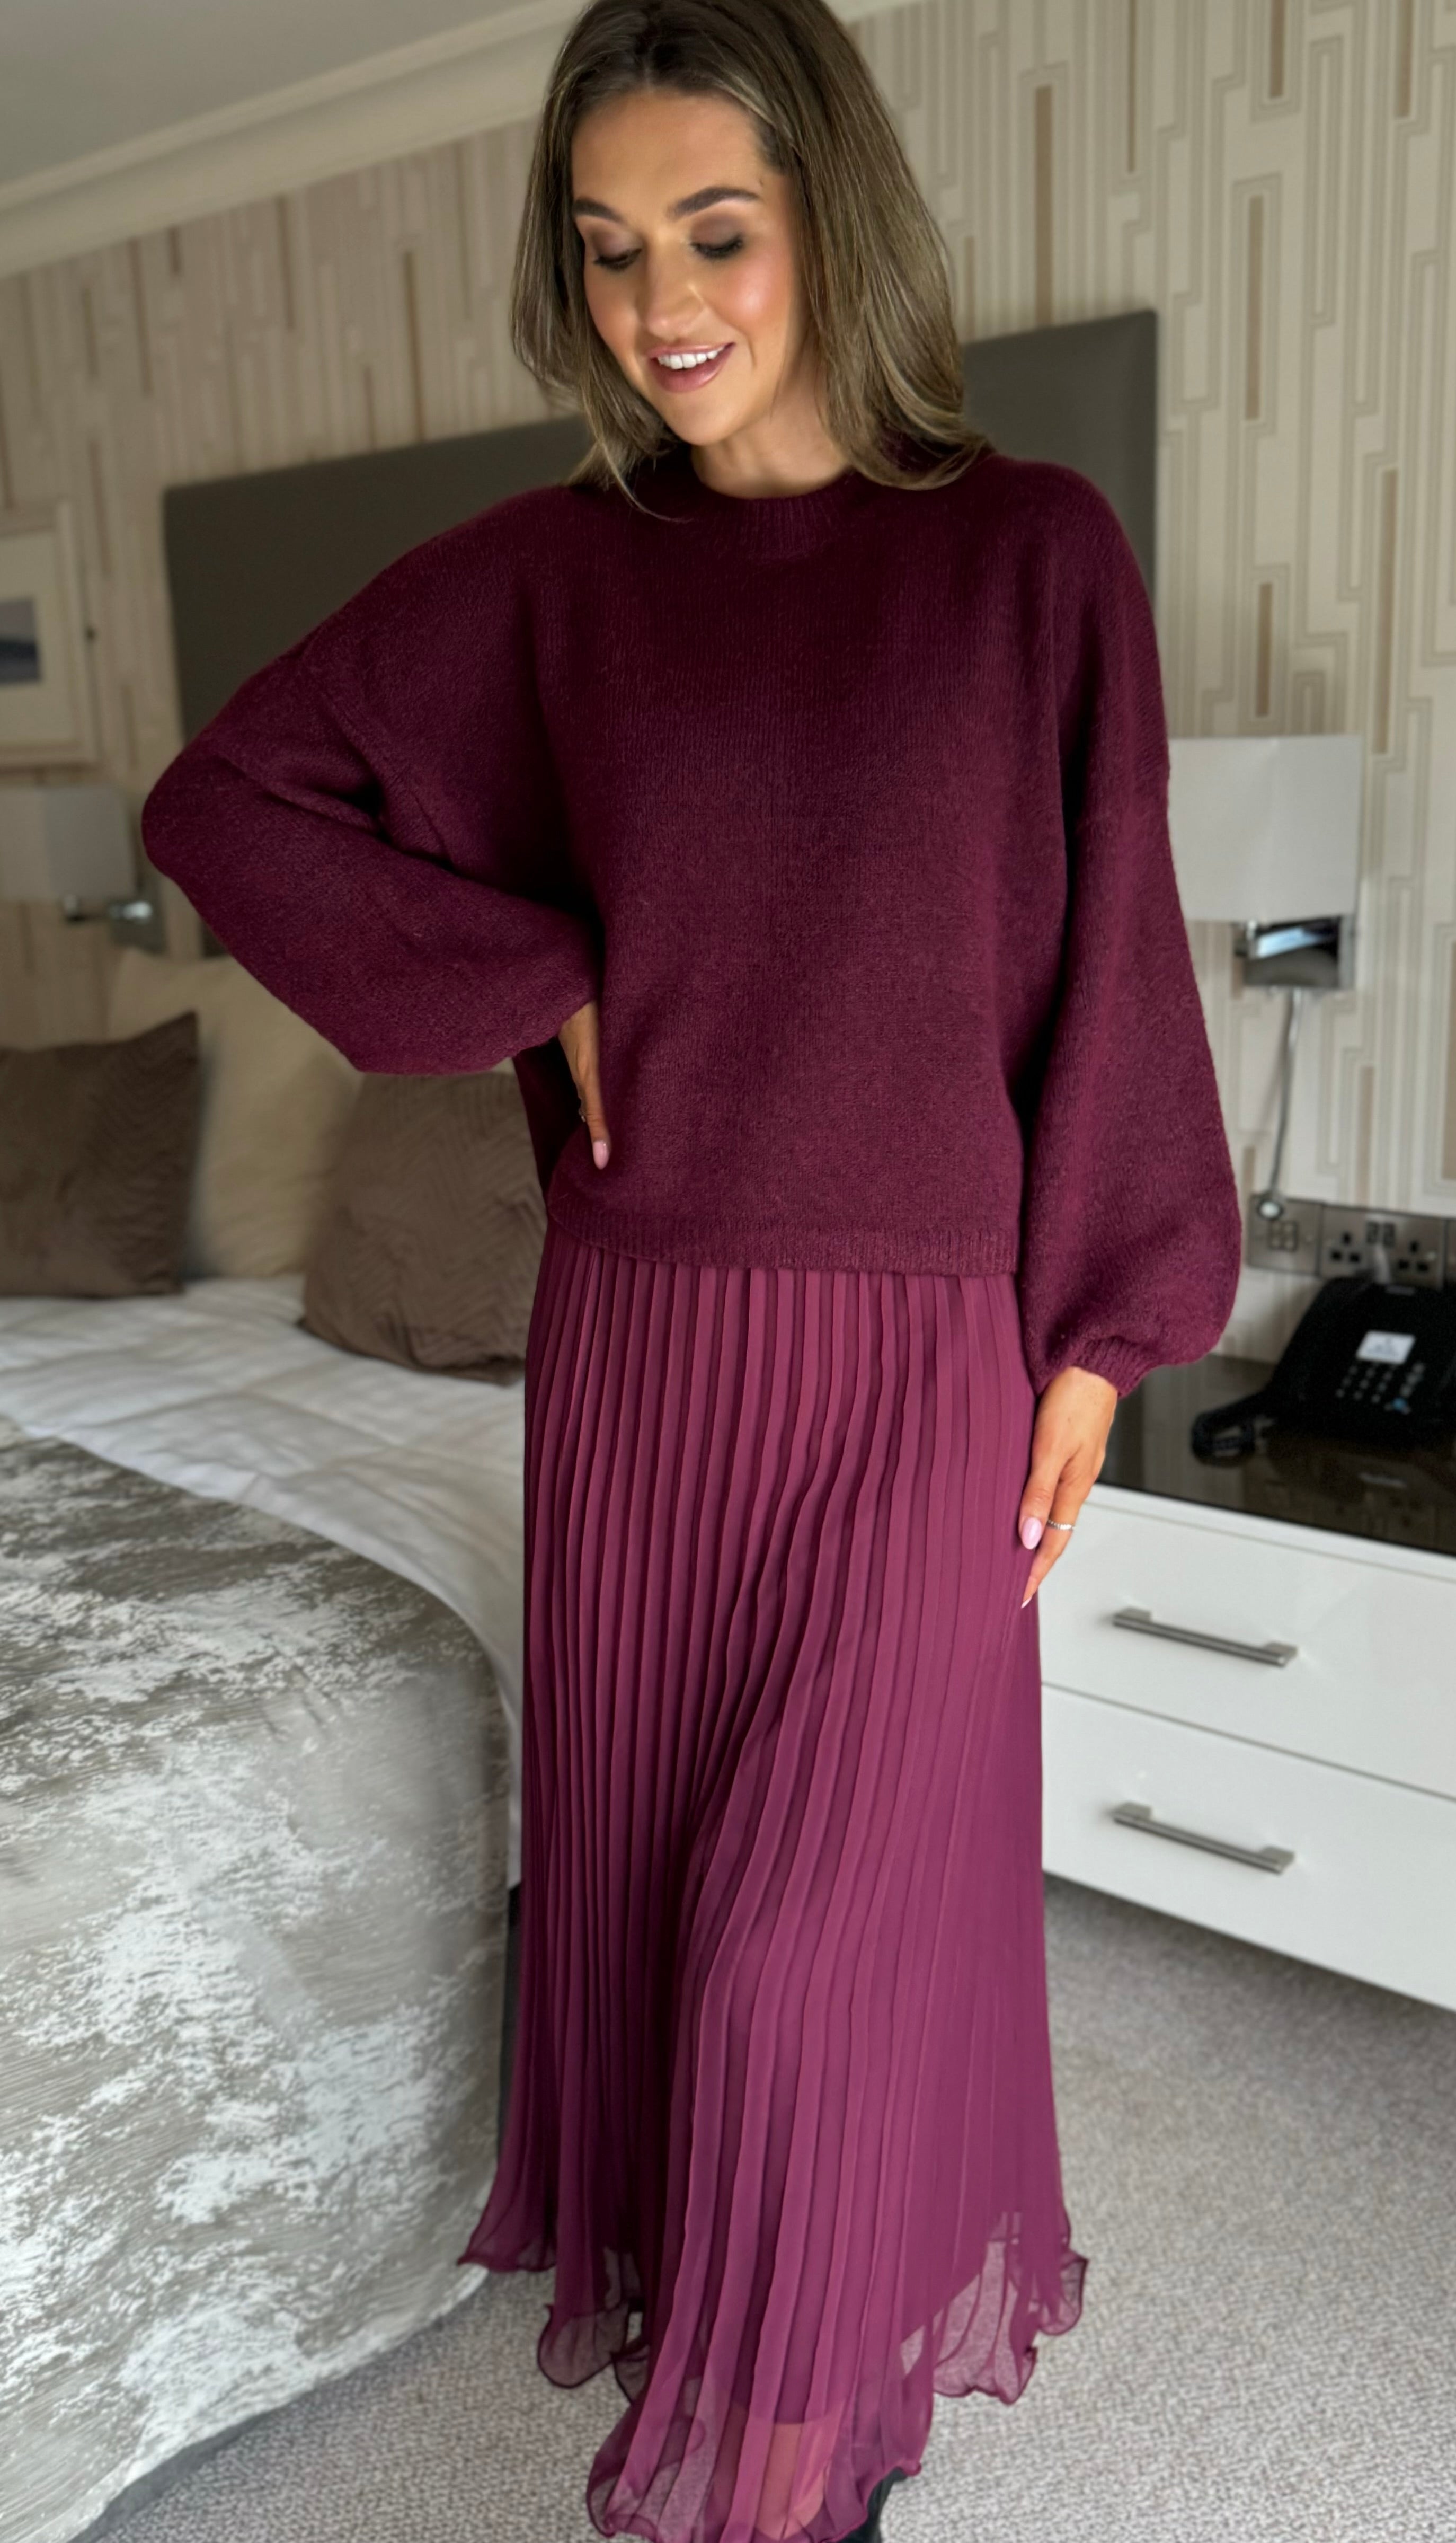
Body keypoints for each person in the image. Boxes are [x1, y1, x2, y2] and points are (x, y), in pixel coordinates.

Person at [140, 3, 1243, 2537]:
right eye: (611, 248)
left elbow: (1117, 967)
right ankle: (805, 2466)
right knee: (669, 1934)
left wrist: (1104, 1339)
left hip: (918, 1373)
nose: (662, 304)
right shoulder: (552, 583)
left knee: (802, 1971)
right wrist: (544, 975)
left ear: (830, 215)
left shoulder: (1031, 554)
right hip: (641, 1362)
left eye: (715, 234)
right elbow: (231, 800)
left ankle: (769, 2490)